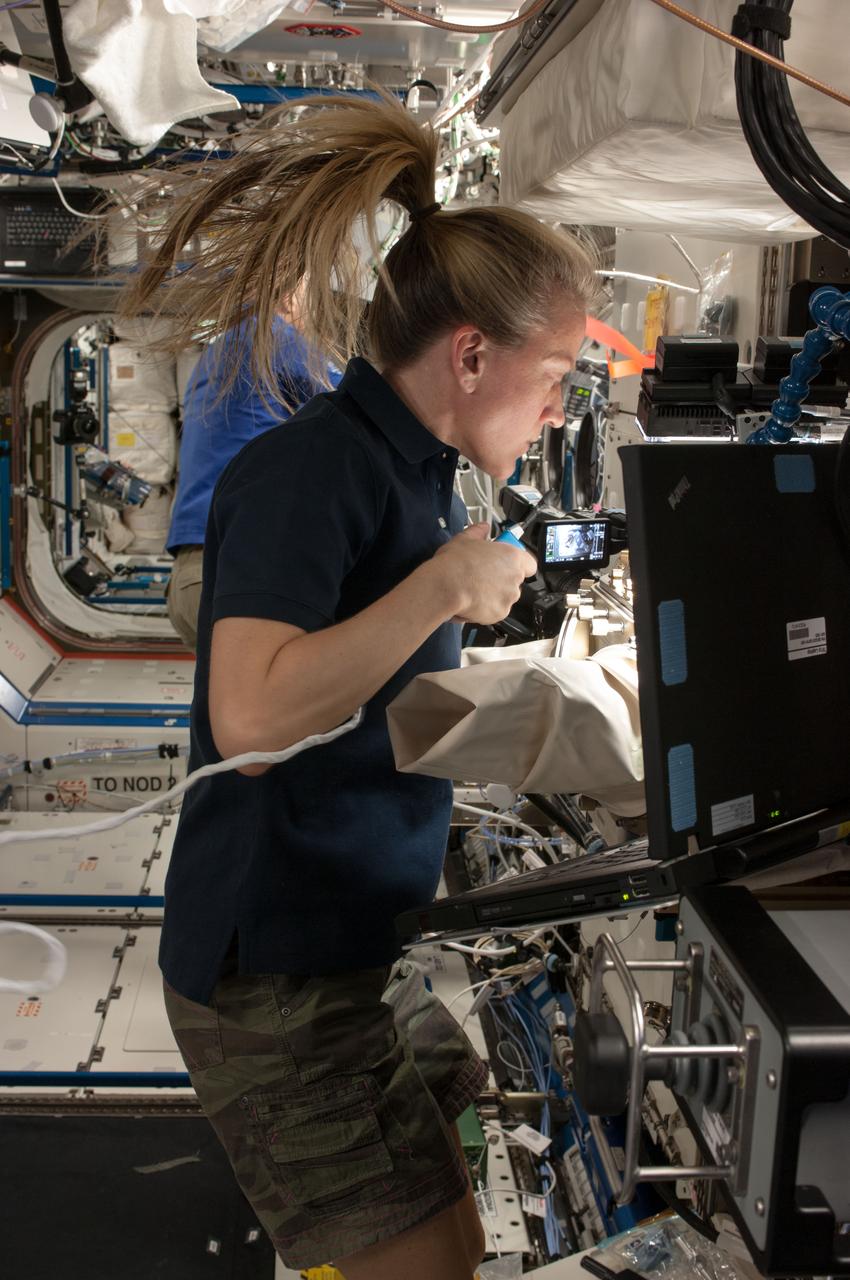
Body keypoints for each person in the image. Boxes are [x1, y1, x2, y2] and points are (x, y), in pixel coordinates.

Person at [119, 93, 594, 1280]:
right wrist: (440, 588)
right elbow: (256, 715)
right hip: (273, 973)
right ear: (471, 352)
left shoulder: (412, 472)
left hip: (353, 943)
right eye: (556, 378)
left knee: (465, 1215)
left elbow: (373, 679)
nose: (557, 412)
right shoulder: (314, 471)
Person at [166, 313, 340, 650]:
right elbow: (359, 399)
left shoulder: (220, 350)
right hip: (234, 574)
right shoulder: (273, 339)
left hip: (191, 579)